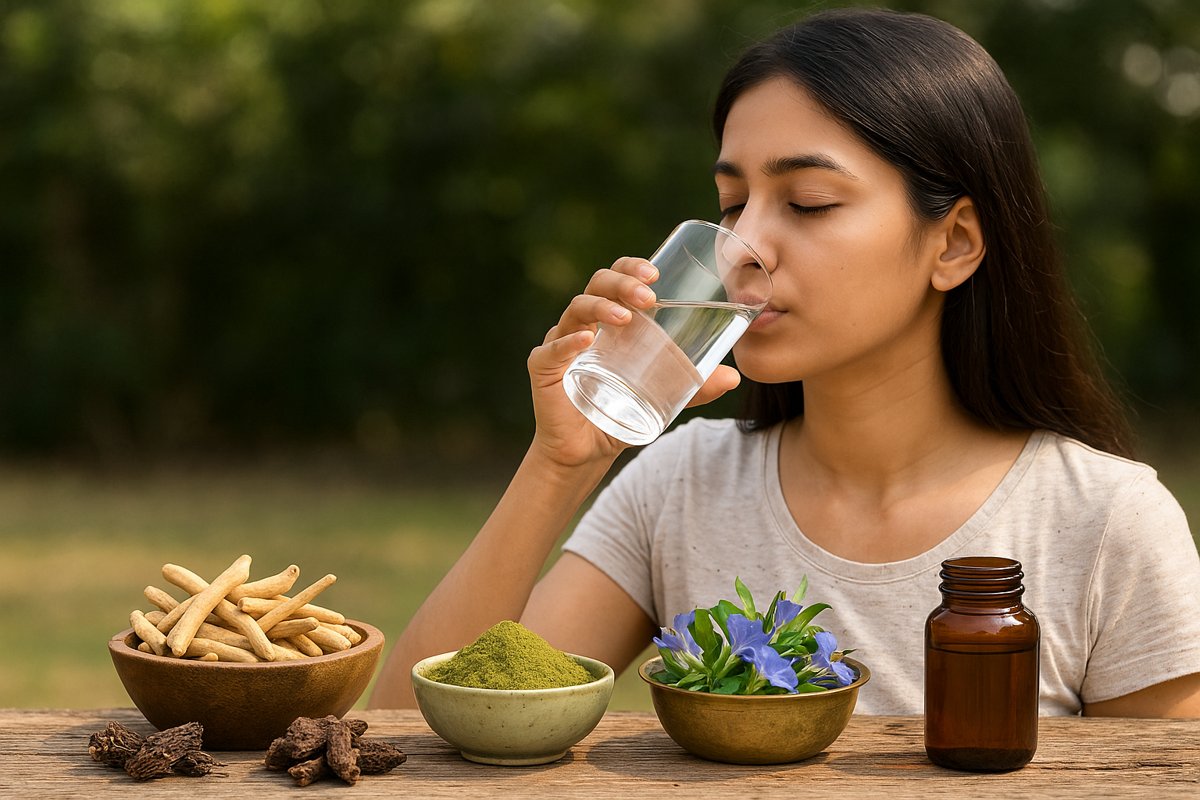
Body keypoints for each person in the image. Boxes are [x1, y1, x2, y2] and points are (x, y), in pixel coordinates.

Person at [370, 6, 1200, 716]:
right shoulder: (684, 486)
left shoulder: (1103, 523)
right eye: (733, 204)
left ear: (953, 244)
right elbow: (415, 734)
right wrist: (560, 465)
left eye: (808, 202)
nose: (746, 248)